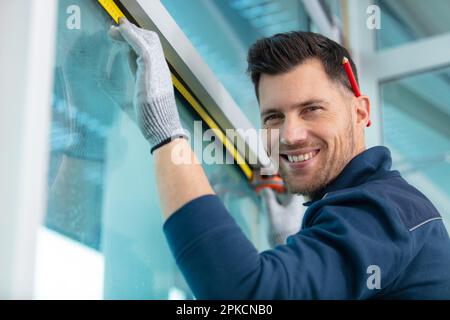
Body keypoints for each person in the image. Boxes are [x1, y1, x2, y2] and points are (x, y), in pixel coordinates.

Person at [109, 18, 450, 299]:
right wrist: (295, 249)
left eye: (312, 109)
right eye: (273, 117)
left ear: (360, 113)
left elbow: (246, 297)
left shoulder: (384, 210)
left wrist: (167, 137)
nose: (290, 135)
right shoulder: (375, 209)